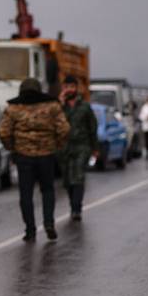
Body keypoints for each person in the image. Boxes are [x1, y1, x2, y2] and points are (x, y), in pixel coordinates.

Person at [0, 78, 69, 241]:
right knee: (48, 190)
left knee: (26, 194)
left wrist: (12, 147)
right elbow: (64, 129)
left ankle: (30, 230)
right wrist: (56, 144)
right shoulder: (52, 106)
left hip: (23, 156)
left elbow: (3, 132)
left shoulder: (13, 108)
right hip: (46, 155)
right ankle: (49, 223)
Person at [57, 75, 98, 221]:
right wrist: (60, 104)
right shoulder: (59, 107)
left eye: (72, 87)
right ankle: (72, 204)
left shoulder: (85, 107)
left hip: (82, 146)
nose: (69, 90)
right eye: (66, 87)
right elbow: (53, 123)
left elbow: (92, 127)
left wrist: (95, 147)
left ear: (76, 88)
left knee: (78, 177)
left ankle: (77, 209)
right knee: (68, 180)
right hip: (64, 148)